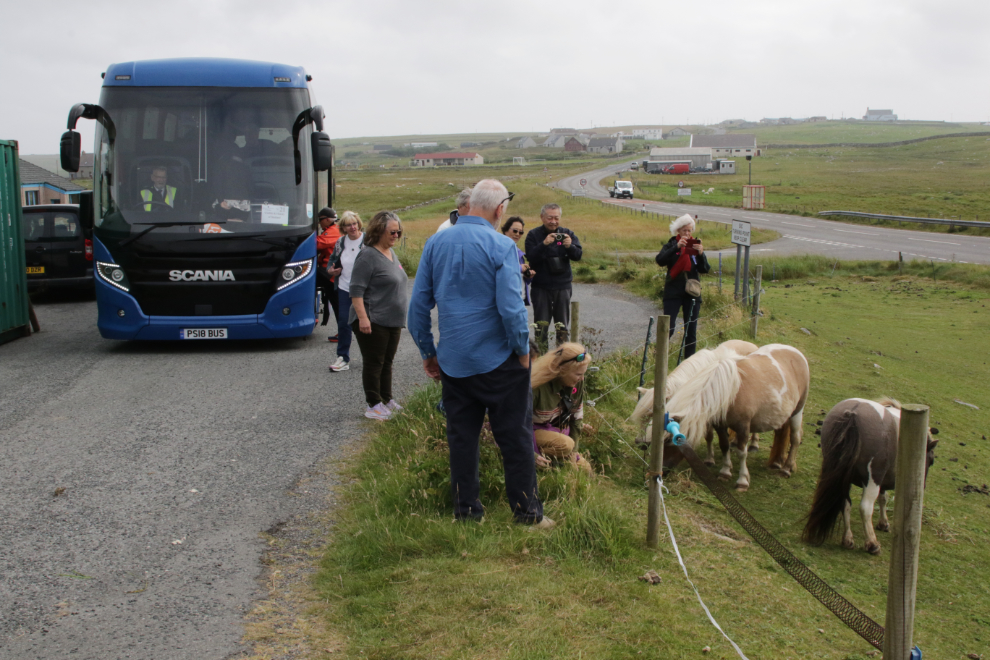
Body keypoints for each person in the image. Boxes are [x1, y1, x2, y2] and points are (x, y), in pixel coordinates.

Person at [408, 179, 551, 528]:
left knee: (461, 438)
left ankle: (467, 512)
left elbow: (417, 308)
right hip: (500, 360)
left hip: (454, 361)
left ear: (470, 204)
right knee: (515, 436)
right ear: (500, 210)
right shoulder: (502, 246)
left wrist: (429, 351)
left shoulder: (434, 242)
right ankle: (527, 513)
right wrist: (521, 350)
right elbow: (511, 307)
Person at [348, 211, 408, 419]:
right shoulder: (368, 255)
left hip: (392, 320)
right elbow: (356, 290)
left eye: (399, 232)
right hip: (373, 319)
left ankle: (386, 399)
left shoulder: (391, 253)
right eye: (393, 232)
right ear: (380, 230)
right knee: (374, 363)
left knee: (387, 362)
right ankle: (373, 405)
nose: (396, 236)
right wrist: (363, 318)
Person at [525, 203, 582, 348]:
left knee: (562, 327)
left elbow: (578, 256)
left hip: (562, 286)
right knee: (541, 326)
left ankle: (562, 360)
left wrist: (570, 246)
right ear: (542, 217)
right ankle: (542, 357)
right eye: (549, 218)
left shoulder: (567, 234)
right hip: (541, 287)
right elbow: (531, 257)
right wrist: (544, 244)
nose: (553, 221)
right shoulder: (534, 235)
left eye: (556, 218)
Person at [531, 342, 593, 474]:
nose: (581, 379)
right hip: (532, 431)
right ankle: (542, 464)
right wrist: (531, 455)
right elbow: (517, 424)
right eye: (578, 374)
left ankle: (556, 464)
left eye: (583, 374)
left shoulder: (578, 383)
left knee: (586, 470)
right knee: (565, 445)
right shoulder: (537, 386)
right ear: (562, 370)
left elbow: (576, 418)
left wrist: (574, 452)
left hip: (559, 432)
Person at [655, 213, 710, 359]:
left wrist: (701, 254)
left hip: (691, 292)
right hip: (673, 291)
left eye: (690, 230)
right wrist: (676, 248)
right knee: (669, 328)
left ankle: (689, 361)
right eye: (685, 230)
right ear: (678, 230)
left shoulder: (695, 245)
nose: (687, 233)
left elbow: (705, 269)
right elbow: (660, 260)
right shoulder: (672, 244)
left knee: (690, 330)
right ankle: (660, 359)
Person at [327, 211, 364, 372]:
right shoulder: (340, 243)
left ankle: (372, 357)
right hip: (344, 288)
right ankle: (343, 357)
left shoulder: (368, 241)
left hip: (364, 290)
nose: (353, 227)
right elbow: (331, 263)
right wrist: (331, 271)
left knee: (367, 323)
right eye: (349, 225)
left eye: (354, 223)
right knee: (343, 322)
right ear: (344, 227)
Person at [315, 208, 341, 334]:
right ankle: (343, 331)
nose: (319, 223)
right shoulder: (333, 230)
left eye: (320, 220)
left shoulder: (333, 231)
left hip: (329, 272)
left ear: (326, 219)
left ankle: (343, 332)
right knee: (335, 301)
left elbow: (317, 244)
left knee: (306, 277)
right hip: (330, 271)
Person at [501, 216, 535, 305]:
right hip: (507, 300)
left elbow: (520, 278)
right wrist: (520, 268)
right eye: (515, 231)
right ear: (505, 230)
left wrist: (528, 276)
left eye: (521, 232)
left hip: (520, 299)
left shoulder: (518, 252)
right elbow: (499, 269)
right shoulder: (499, 248)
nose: (517, 234)